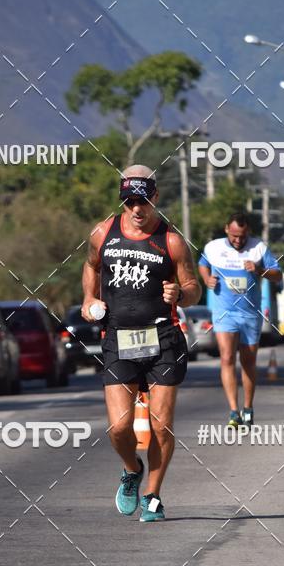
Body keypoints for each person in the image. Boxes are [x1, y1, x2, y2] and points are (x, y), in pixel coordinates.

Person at [81, 165, 201, 522]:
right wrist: (89, 300)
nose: (137, 208)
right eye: (131, 201)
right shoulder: (103, 233)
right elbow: (90, 265)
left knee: (160, 425)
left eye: (144, 200)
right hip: (118, 337)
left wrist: (181, 292)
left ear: (155, 199)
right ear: (123, 201)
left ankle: (153, 494)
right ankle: (131, 469)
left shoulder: (171, 240)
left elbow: (194, 288)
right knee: (120, 427)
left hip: (164, 337)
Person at [198, 212, 282, 429]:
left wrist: (260, 269)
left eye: (242, 236)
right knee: (226, 358)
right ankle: (233, 412)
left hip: (249, 314)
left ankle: (248, 408)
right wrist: (207, 278)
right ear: (227, 228)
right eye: (234, 235)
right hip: (224, 312)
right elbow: (202, 264)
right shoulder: (214, 247)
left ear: (249, 233)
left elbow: (278, 274)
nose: (238, 240)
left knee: (248, 362)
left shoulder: (258, 248)